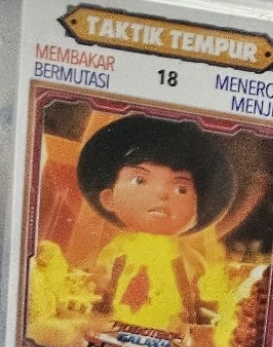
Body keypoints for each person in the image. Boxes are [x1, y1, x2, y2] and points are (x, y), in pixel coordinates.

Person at [76, 114, 235, 333]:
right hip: (115, 328)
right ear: (108, 198)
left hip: (168, 332)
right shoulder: (115, 252)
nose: (161, 193)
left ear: (196, 214)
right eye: (140, 180)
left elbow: (206, 296)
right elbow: (99, 285)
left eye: (181, 189)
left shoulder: (190, 260)